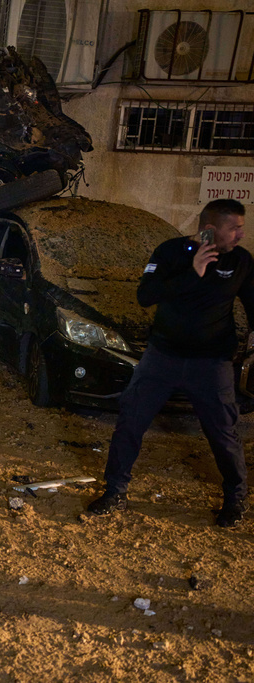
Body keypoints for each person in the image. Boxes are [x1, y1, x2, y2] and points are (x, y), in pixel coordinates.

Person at [88, 199, 250, 527]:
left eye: (241, 227)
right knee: (130, 422)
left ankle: (235, 498)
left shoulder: (241, 261)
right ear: (209, 229)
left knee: (223, 433)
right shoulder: (170, 253)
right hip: (162, 358)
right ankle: (115, 490)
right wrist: (193, 273)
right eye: (233, 228)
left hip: (212, 362)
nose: (240, 234)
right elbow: (146, 295)